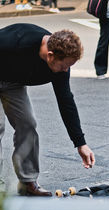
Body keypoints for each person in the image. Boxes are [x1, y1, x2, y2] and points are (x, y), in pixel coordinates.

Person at [0, 23, 95, 196]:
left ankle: (28, 182)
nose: (66, 70)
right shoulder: (16, 43)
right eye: (64, 65)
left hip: (13, 83)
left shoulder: (60, 65)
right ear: (51, 56)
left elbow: (66, 101)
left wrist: (80, 143)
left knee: (27, 124)